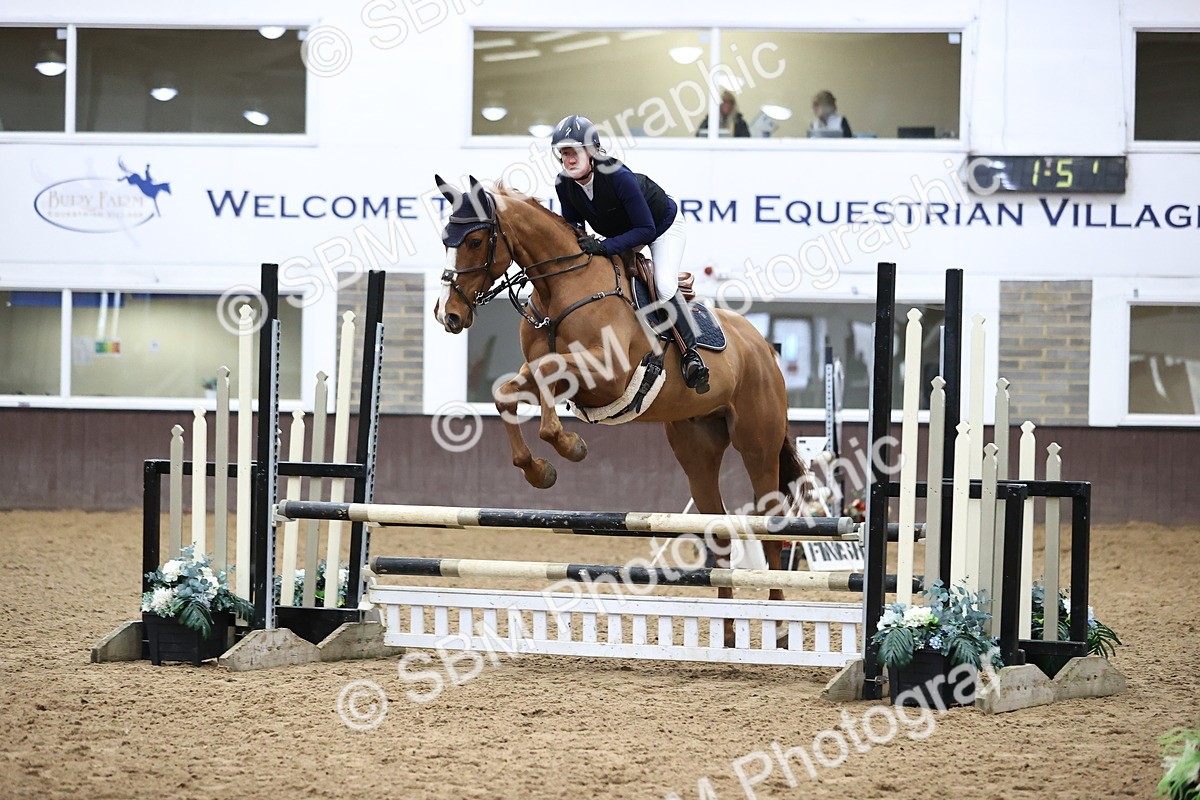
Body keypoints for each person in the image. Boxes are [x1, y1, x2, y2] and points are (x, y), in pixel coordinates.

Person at [550, 114, 710, 393]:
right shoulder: (564, 184)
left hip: (661, 227)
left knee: (664, 285)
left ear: (591, 152)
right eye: (564, 153)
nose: (569, 160)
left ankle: (691, 354)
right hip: (623, 233)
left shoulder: (619, 177)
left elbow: (646, 229)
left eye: (574, 152)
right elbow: (574, 226)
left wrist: (605, 246)